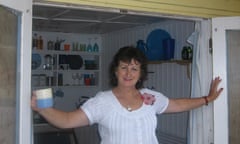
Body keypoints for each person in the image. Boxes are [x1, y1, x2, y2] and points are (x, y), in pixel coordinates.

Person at [31, 46, 223, 144]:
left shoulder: (150, 98)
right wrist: (42, 108)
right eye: (123, 67)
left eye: (134, 68)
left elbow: (178, 104)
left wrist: (207, 99)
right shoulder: (102, 101)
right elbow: (67, 121)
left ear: (141, 73)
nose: (128, 73)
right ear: (115, 71)